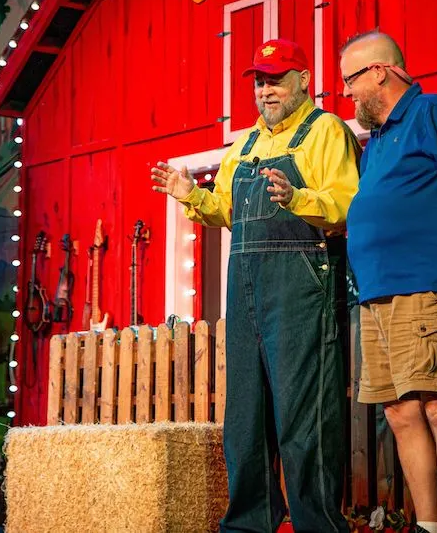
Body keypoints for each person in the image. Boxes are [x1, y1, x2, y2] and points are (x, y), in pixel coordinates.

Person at [151, 39, 361, 532]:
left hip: (303, 288)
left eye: (277, 79)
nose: (266, 90)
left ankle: (319, 525)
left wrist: (298, 196)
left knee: (304, 420)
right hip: (246, 291)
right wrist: (191, 196)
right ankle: (249, 524)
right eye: (259, 82)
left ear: (304, 81)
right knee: (245, 419)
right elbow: (226, 210)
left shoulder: (325, 130)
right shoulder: (243, 143)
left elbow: (347, 204)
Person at [341, 30, 437, 533]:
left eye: (350, 80)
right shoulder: (377, 143)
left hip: (429, 284)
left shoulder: (434, 112)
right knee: (400, 412)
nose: (347, 93)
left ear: (380, 72)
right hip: (378, 294)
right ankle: (428, 527)